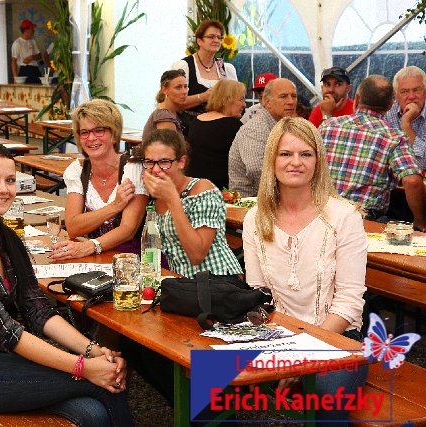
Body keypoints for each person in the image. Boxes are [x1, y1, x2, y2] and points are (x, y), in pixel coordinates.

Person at [0, 140, 133, 426]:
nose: (3, 189)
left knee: (92, 411)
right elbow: (7, 332)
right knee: (102, 387)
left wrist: (96, 351)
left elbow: (37, 310)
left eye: (10, 180)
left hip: (4, 358)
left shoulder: (7, 238)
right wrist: (84, 367)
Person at [243, 116, 369, 425]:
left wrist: (303, 354)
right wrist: (275, 349)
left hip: (337, 336)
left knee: (326, 391)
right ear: (272, 160)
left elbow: (349, 302)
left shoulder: (344, 216)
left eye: (306, 154)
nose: (295, 162)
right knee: (203, 372)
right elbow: (257, 295)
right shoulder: (255, 218)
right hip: (277, 334)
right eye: (286, 154)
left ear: (318, 161)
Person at [320, 75, 426, 231]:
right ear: (390, 105)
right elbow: (412, 181)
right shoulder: (394, 137)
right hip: (362, 221)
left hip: (320, 214)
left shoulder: (327, 126)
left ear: (357, 99)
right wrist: (421, 222)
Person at [49, 99, 148, 260]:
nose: (91, 138)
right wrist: (114, 206)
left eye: (99, 131)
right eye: (84, 132)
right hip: (95, 257)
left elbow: (128, 230)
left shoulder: (133, 168)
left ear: (114, 135)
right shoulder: (77, 170)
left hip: (132, 259)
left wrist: (90, 246)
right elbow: (73, 227)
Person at [141, 128, 243, 279]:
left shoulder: (202, 189)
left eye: (164, 162)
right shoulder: (153, 198)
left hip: (217, 280)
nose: (156, 169)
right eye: (149, 162)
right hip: (182, 284)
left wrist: (172, 200)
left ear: (181, 162)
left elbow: (197, 255)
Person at [228, 78, 297, 197]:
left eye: (294, 96)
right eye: (283, 96)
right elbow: (256, 169)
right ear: (268, 102)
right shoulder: (256, 127)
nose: (291, 101)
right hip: (250, 202)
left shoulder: (280, 124)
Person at [171, 19, 238, 136]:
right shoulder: (184, 66)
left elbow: (236, 100)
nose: (216, 40)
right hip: (191, 130)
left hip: (221, 130)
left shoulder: (226, 68)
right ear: (199, 41)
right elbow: (173, 103)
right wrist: (203, 97)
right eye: (211, 37)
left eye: (219, 37)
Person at [188, 79, 246, 190]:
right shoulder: (232, 125)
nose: (244, 105)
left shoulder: (196, 121)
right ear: (225, 100)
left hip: (194, 188)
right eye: (241, 99)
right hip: (220, 191)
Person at [385, 66, 426, 170]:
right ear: (396, 95)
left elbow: (422, 164)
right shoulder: (386, 113)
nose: (411, 96)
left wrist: (406, 124)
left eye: (416, 90)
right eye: (404, 91)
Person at [141, 69, 188, 141]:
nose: (184, 91)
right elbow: (171, 146)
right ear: (164, 90)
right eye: (178, 87)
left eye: (185, 86)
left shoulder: (174, 112)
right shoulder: (164, 116)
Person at [11, 19, 42, 84]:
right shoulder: (17, 43)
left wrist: (32, 57)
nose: (34, 31)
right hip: (24, 70)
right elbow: (14, 61)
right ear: (26, 30)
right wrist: (15, 78)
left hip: (35, 70)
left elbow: (40, 56)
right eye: (32, 29)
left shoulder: (33, 41)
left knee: (40, 89)